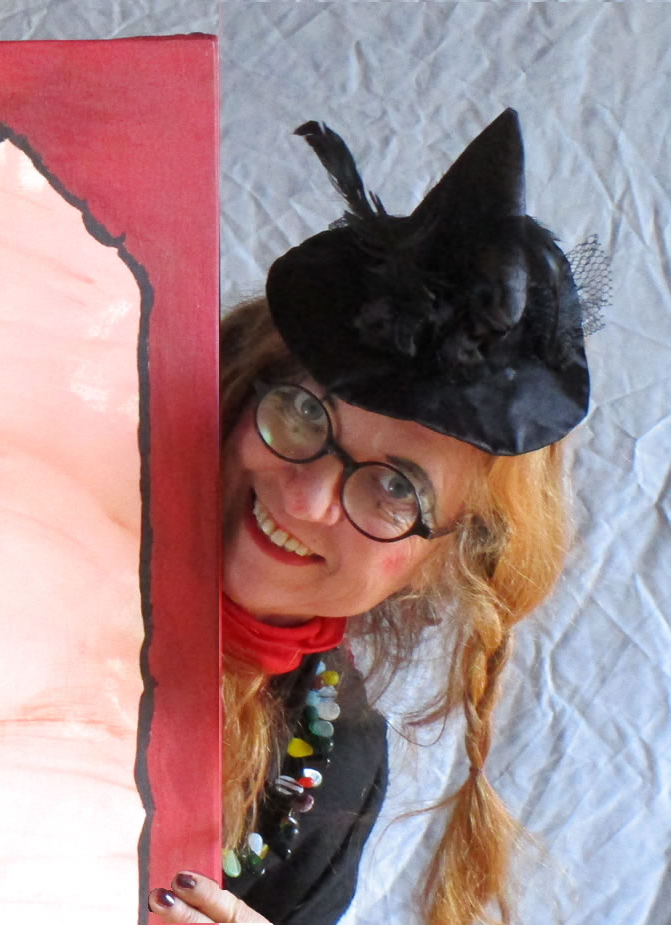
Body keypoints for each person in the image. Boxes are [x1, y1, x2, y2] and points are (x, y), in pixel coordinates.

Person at [149, 109, 596, 925]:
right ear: (246, 383)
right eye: (304, 415)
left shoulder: (332, 770)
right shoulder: (30, 511)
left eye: (394, 489)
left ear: (443, 556)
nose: (304, 498)